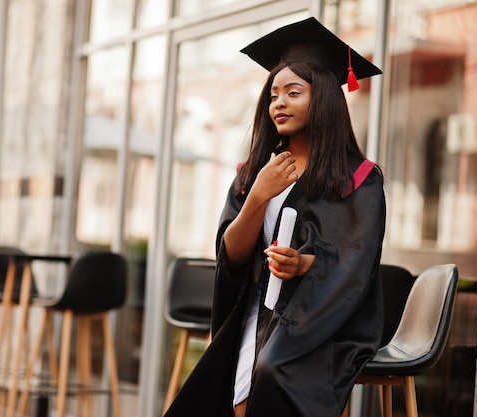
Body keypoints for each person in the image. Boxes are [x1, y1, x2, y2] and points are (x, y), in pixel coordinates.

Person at [163, 17, 386, 417]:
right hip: (255, 308)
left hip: (323, 321)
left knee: (270, 371)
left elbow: (354, 268)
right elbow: (230, 256)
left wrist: (303, 263)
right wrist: (257, 199)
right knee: (222, 378)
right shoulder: (255, 173)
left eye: (293, 92)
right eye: (273, 95)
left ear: (325, 100)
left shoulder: (358, 180)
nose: (278, 103)